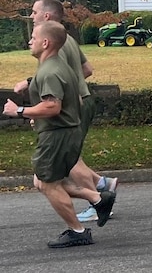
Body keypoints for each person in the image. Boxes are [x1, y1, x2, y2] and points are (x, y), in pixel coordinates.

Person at [2, 21, 116, 248]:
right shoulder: (58, 66)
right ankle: (97, 198)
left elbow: (52, 106)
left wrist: (20, 111)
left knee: (47, 184)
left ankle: (79, 231)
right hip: (63, 132)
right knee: (42, 181)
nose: (29, 41)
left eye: (33, 38)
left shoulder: (51, 71)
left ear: (45, 43)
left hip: (57, 136)